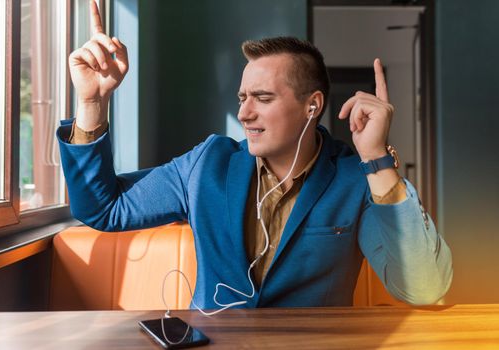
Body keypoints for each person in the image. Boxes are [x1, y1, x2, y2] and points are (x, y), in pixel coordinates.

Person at [57, 1, 452, 309]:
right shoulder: (206, 164)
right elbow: (103, 210)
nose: (244, 113)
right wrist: (93, 102)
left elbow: (424, 289)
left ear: (312, 106)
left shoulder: (354, 178)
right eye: (243, 98)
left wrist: (378, 159)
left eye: (262, 98)